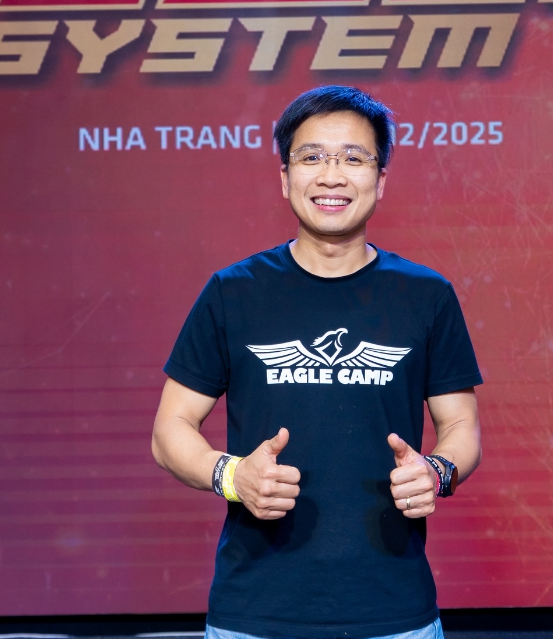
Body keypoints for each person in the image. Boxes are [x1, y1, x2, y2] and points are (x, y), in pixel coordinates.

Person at [152, 85, 482, 639]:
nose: (332, 177)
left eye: (353, 159)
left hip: (394, 612)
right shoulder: (233, 292)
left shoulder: (426, 294)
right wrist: (232, 475)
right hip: (254, 613)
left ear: (380, 179)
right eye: (312, 158)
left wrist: (438, 470)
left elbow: (462, 425)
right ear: (285, 178)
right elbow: (170, 430)